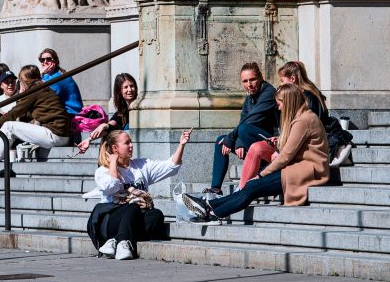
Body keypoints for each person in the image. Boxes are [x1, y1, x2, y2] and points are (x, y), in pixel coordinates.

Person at [183, 83, 330, 220]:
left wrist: (261, 174)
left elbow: (285, 156)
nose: (279, 108)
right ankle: (209, 208)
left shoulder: (303, 121)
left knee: (253, 186)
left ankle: (212, 212)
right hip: (298, 168)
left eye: (280, 104)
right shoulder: (303, 117)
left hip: (308, 171)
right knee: (251, 186)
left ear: (289, 102)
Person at [238, 61, 353, 188]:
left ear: (292, 79)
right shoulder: (303, 95)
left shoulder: (308, 98)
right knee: (252, 144)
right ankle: (242, 188)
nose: (280, 85)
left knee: (252, 139)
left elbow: (304, 131)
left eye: (282, 81)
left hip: (311, 149)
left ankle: (246, 187)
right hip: (299, 145)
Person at [87, 129, 190, 260]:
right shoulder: (102, 171)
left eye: (131, 142)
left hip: (133, 220)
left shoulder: (141, 166)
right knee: (133, 206)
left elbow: (171, 166)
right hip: (110, 221)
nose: (131, 145)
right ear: (115, 148)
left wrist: (181, 144)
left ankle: (117, 241)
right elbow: (111, 187)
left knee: (156, 215)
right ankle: (122, 241)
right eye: (127, 143)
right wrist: (113, 162)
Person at [0, 65, 70, 178]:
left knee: (9, 126)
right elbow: (24, 114)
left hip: (55, 134)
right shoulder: (43, 88)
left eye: (19, 80)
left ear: (24, 80)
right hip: (60, 135)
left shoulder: (34, 91)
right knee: (9, 126)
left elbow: (14, 113)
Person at [205, 62, 278, 196]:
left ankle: (262, 166)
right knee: (220, 141)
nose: (249, 84)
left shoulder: (269, 93)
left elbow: (252, 119)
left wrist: (232, 138)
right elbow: (243, 121)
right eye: (245, 81)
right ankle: (216, 189)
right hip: (253, 138)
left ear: (260, 78)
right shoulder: (249, 100)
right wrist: (238, 142)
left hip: (273, 143)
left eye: (252, 79)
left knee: (241, 131)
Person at [77, 73, 137, 154]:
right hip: (127, 147)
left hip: (135, 144)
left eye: (132, 86)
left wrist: (105, 126)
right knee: (108, 134)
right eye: (126, 87)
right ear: (119, 91)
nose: (130, 90)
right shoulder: (121, 112)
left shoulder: (140, 106)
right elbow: (111, 125)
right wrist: (89, 139)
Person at [39, 48, 83, 116]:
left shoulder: (60, 76)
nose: (45, 62)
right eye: (42, 60)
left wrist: (41, 73)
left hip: (71, 113)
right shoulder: (46, 76)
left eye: (49, 59)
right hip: (60, 112)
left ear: (56, 61)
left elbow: (42, 94)